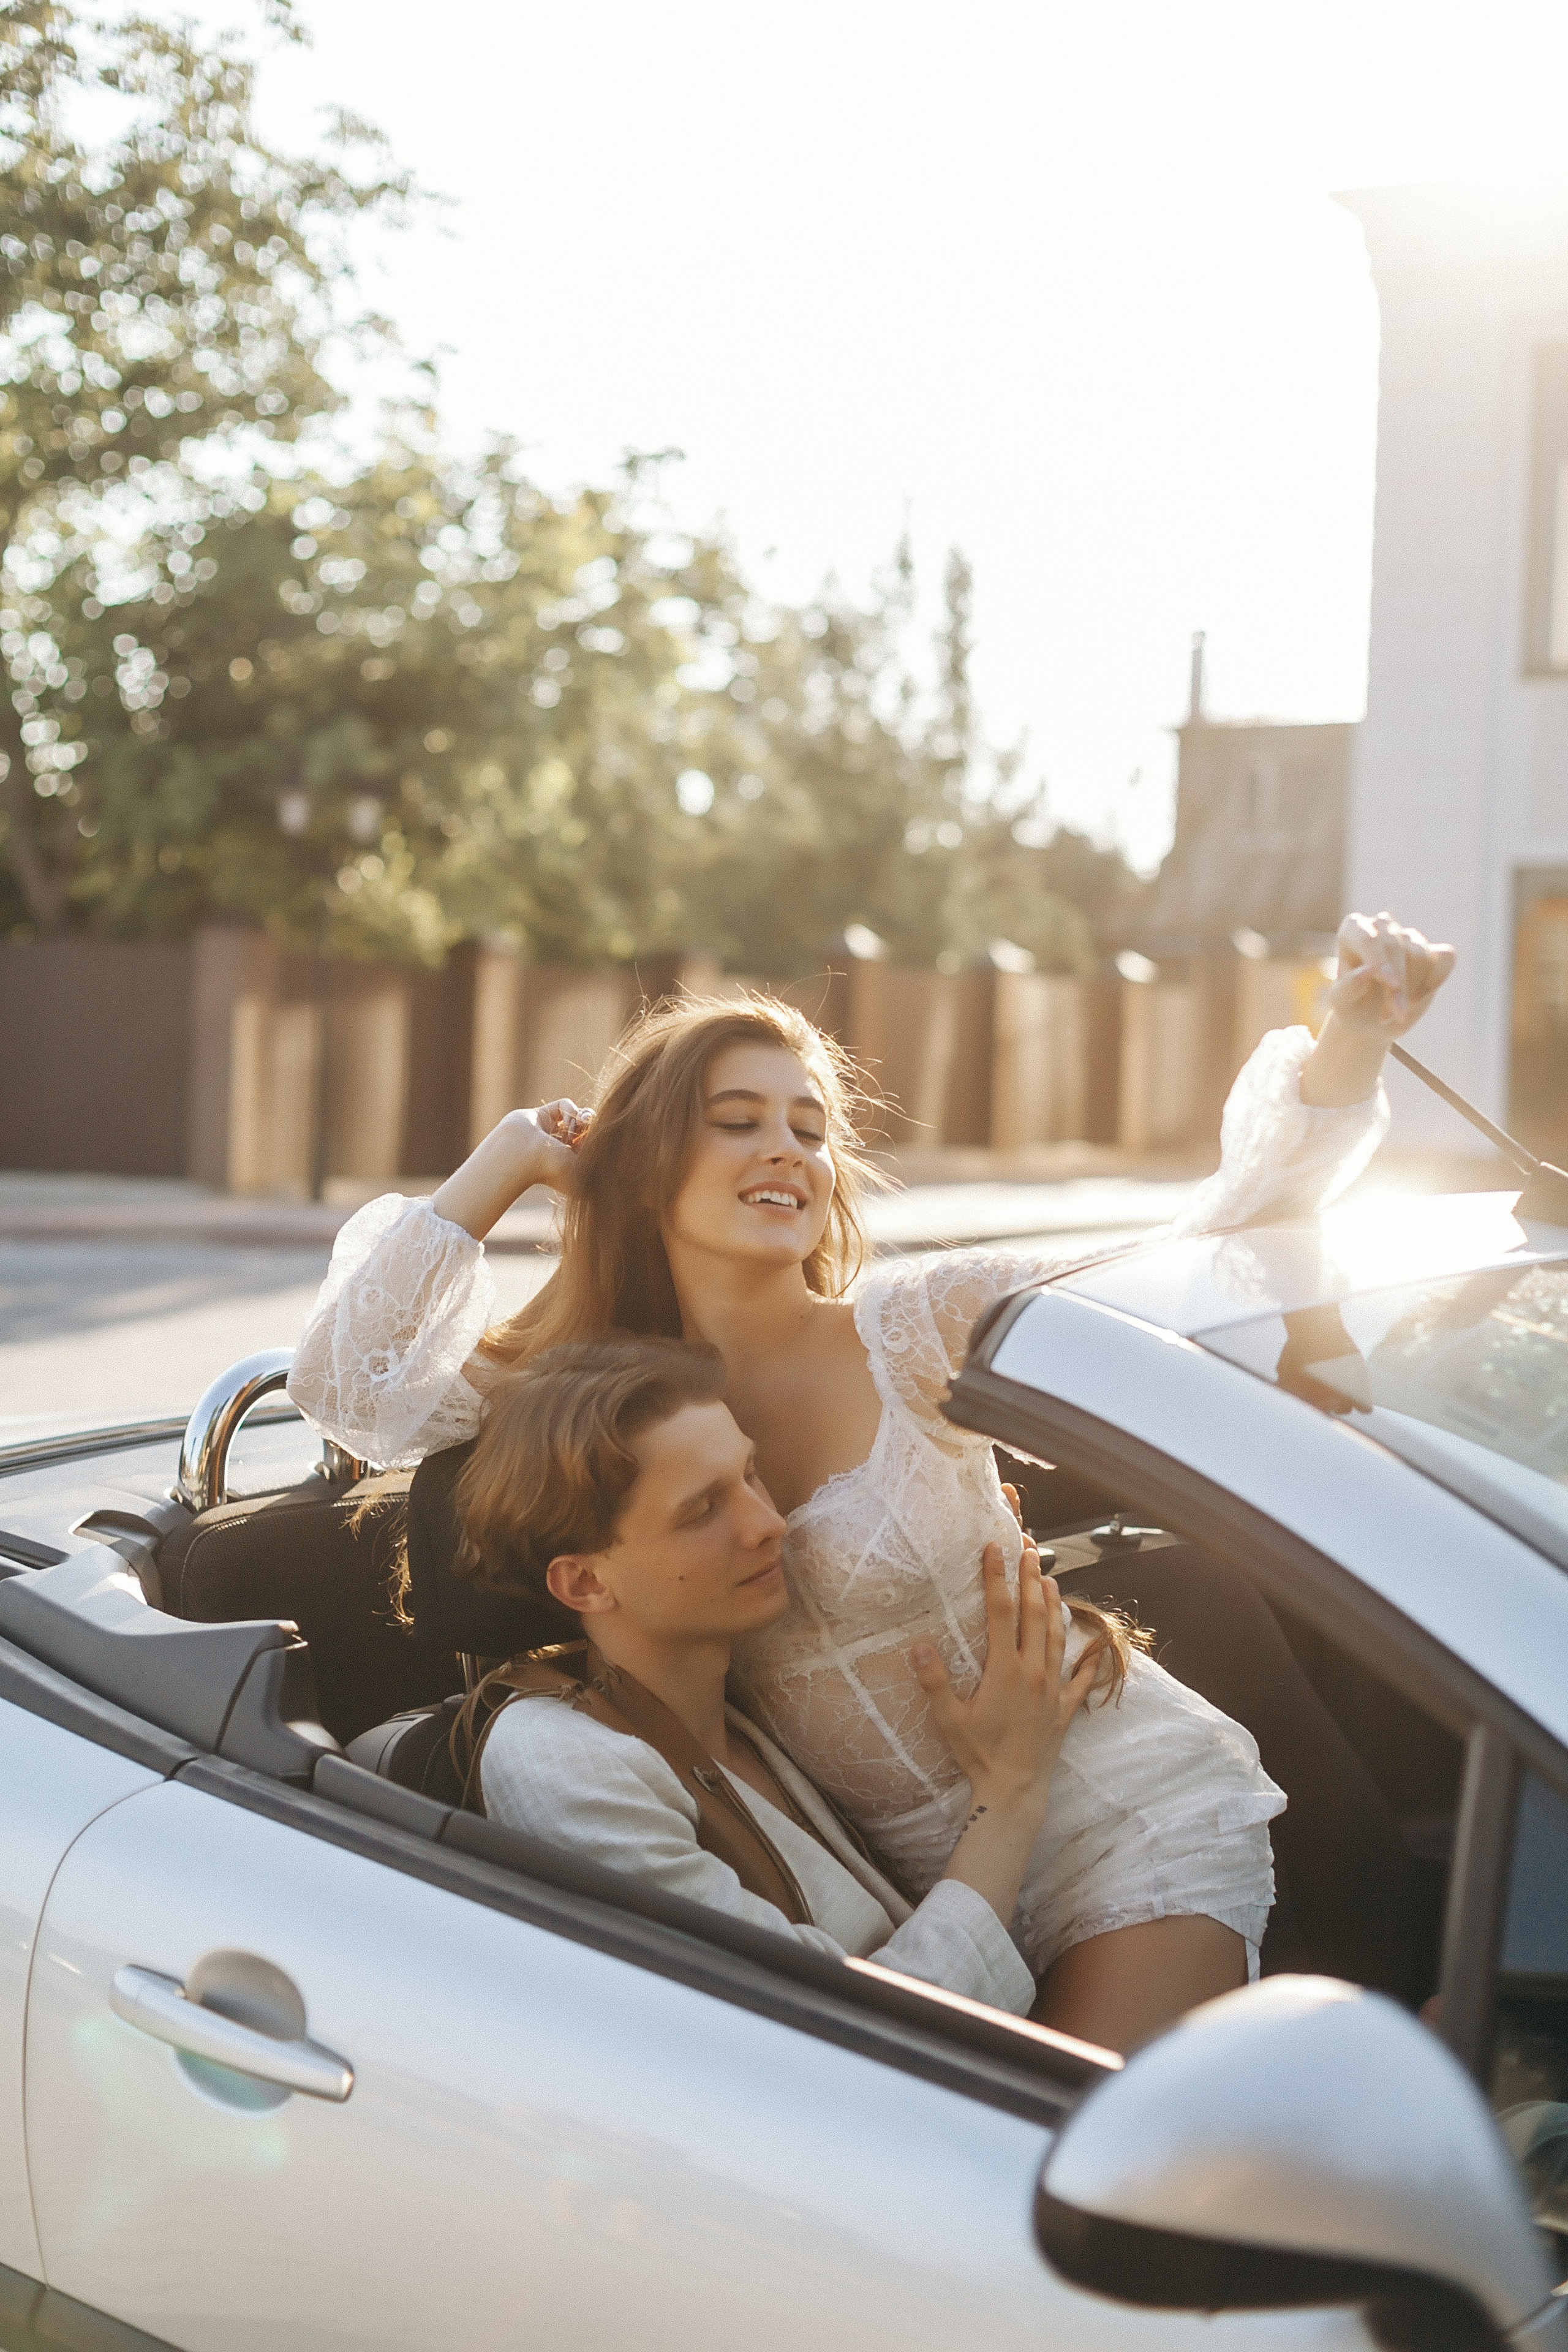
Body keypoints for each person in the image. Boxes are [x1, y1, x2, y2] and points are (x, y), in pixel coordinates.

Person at [290, 909, 1453, 2050]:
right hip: (917, 1892)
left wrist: (1346, 1043)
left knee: (1078, 2191)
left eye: (809, 1127)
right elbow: (352, 1386)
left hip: (1119, 1813)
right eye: (737, 1121)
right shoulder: (601, 1398)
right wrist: (514, 1155)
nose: (786, 1149)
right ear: (645, 1166)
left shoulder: (915, 1325)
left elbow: (1198, 1263)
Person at [451, 1332, 1109, 2023]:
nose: (768, 1523)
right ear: (584, 1582)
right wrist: (1007, 1796)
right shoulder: (558, 1760)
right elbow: (833, 2032)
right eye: (703, 1510)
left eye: (751, 1474)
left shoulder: (750, 1707)